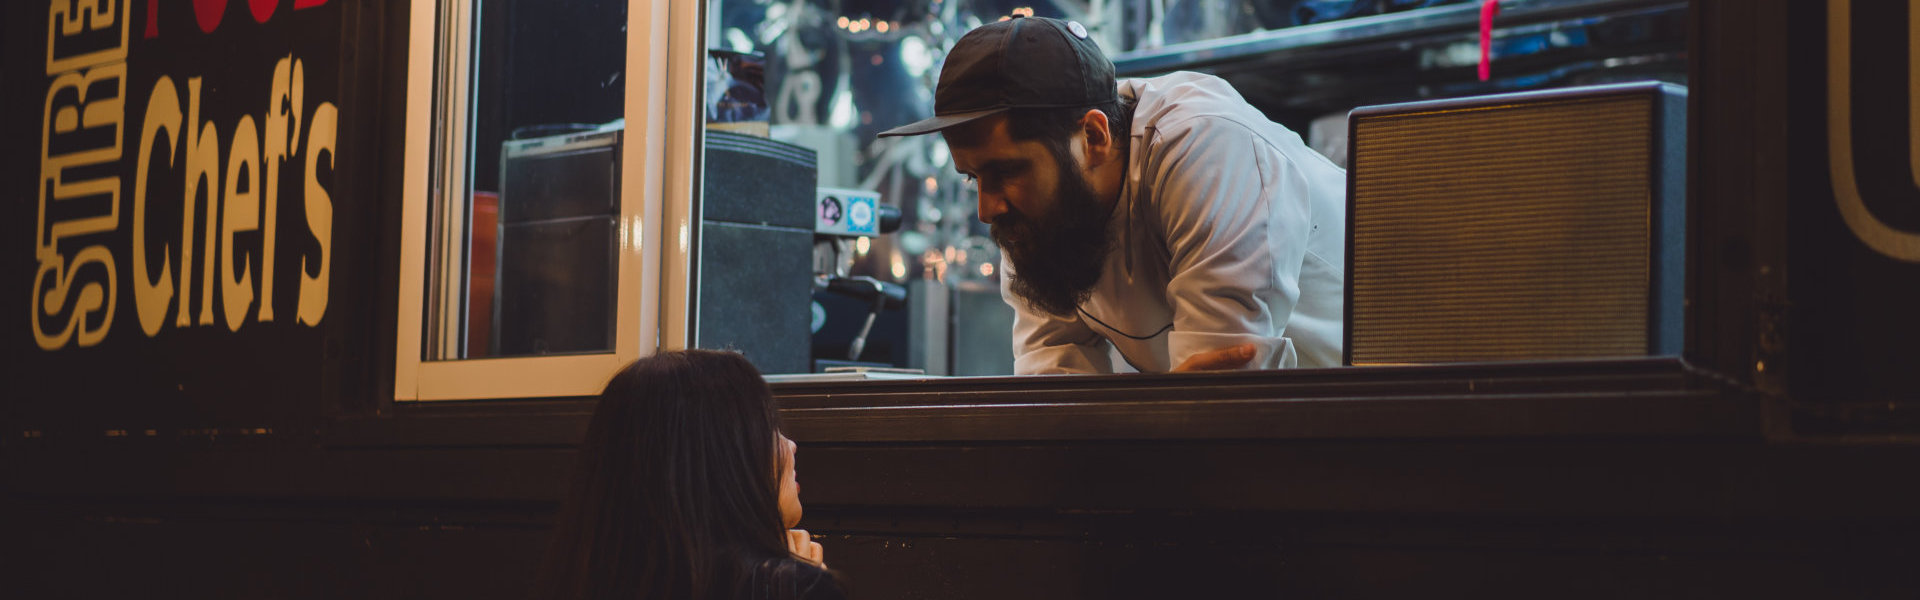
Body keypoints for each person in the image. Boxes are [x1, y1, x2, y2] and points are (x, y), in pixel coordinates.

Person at [879, 16, 1346, 374]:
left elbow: (1220, 399)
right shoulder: (1040, 219)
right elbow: (1053, 405)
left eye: (1006, 170)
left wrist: (1126, 419)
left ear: (1094, 137)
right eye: (973, 177)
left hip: (1385, 404)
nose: (987, 208)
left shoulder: (1205, 146)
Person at [539, 350, 843, 600]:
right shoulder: (788, 587)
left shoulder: (586, 577)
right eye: (766, 428)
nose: (790, 445)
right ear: (720, 462)